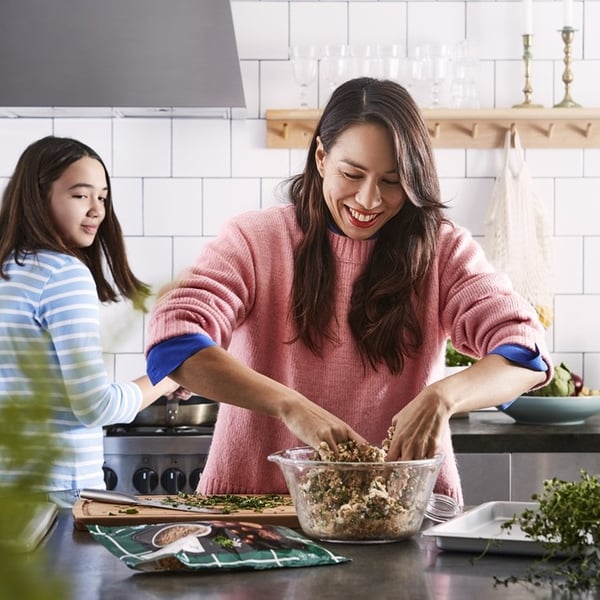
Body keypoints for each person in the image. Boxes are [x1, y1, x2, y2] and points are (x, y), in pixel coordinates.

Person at [146, 78, 551, 506]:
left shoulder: (443, 250)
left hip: (401, 512)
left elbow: (525, 353)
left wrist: (442, 397)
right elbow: (172, 343)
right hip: (257, 511)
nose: (369, 199)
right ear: (321, 157)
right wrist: (291, 407)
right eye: (351, 174)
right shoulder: (256, 239)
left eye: (392, 181)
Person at [0, 136, 187, 507]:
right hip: (56, 488)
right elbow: (95, 406)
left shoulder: (9, 270)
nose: (96, 210)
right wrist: (169, 375)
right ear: (39, 196)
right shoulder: (63, 274)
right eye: (80, 195)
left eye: (102, 197)